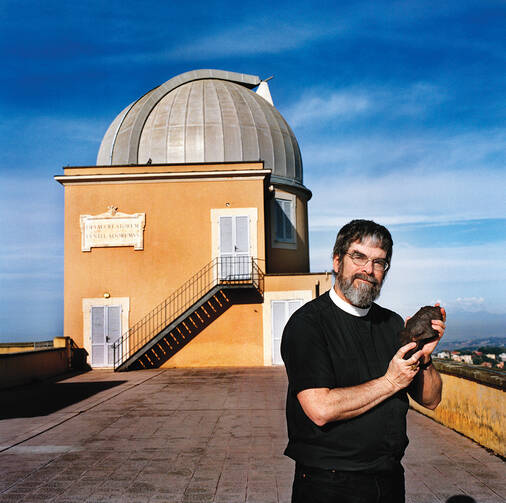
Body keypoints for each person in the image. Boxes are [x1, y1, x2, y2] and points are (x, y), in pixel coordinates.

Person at [281, 219, 445, 503]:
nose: (368, 270)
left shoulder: (392, 323)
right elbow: (320, 408)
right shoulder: (307, 324)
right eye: (358, 257)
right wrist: (390, 382)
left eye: (379, 263)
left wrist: (425, 358)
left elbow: (430, 400)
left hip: (389, 480)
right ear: (337, 261)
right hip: (329, 484)